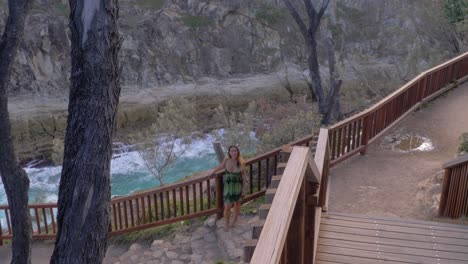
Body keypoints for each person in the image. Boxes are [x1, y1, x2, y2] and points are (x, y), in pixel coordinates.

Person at [210, 145, 247, 228]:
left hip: (238, 187)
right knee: (227, 207)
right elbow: (221, 166)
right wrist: (213, 172)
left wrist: (244, 189)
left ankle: (234, 221)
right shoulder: (226, 160)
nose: (234, 153)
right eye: (232, 151)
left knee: (237, 205)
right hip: (228, 187)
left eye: (235, 151)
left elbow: (244, 177)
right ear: (229, 152)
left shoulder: (241, 162)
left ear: (238, 152)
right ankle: (227, 223)